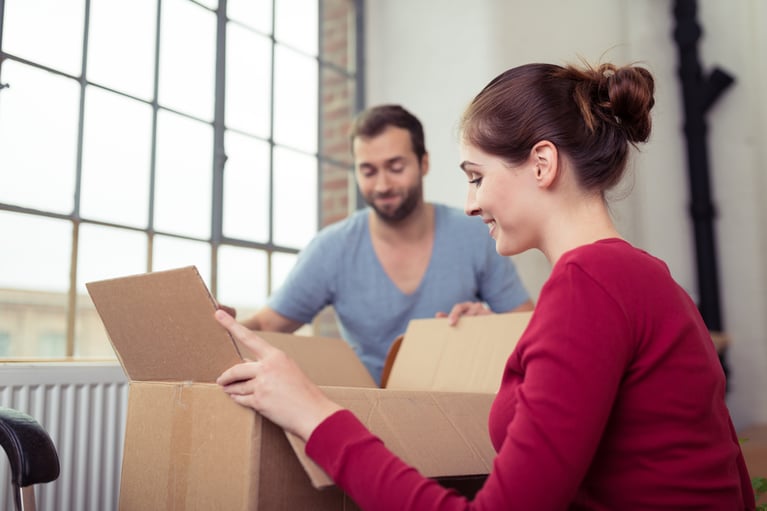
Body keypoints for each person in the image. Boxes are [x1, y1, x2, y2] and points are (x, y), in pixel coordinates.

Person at [214, 60, 756, 509]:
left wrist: (313, 413)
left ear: (542, 164)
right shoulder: (642, 275)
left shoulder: (586, 287)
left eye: (476, 177)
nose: (471, 202)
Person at [235, 104, 533, 385]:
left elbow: (526, 325)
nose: (382, 185)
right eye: (368, 171)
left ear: (423, 163)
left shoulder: (474, 234)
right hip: (366, 410)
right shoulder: (333, 247)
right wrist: (218, 325)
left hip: (450, 399)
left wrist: (490, 327)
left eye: (395, 166)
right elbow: (267, 325)